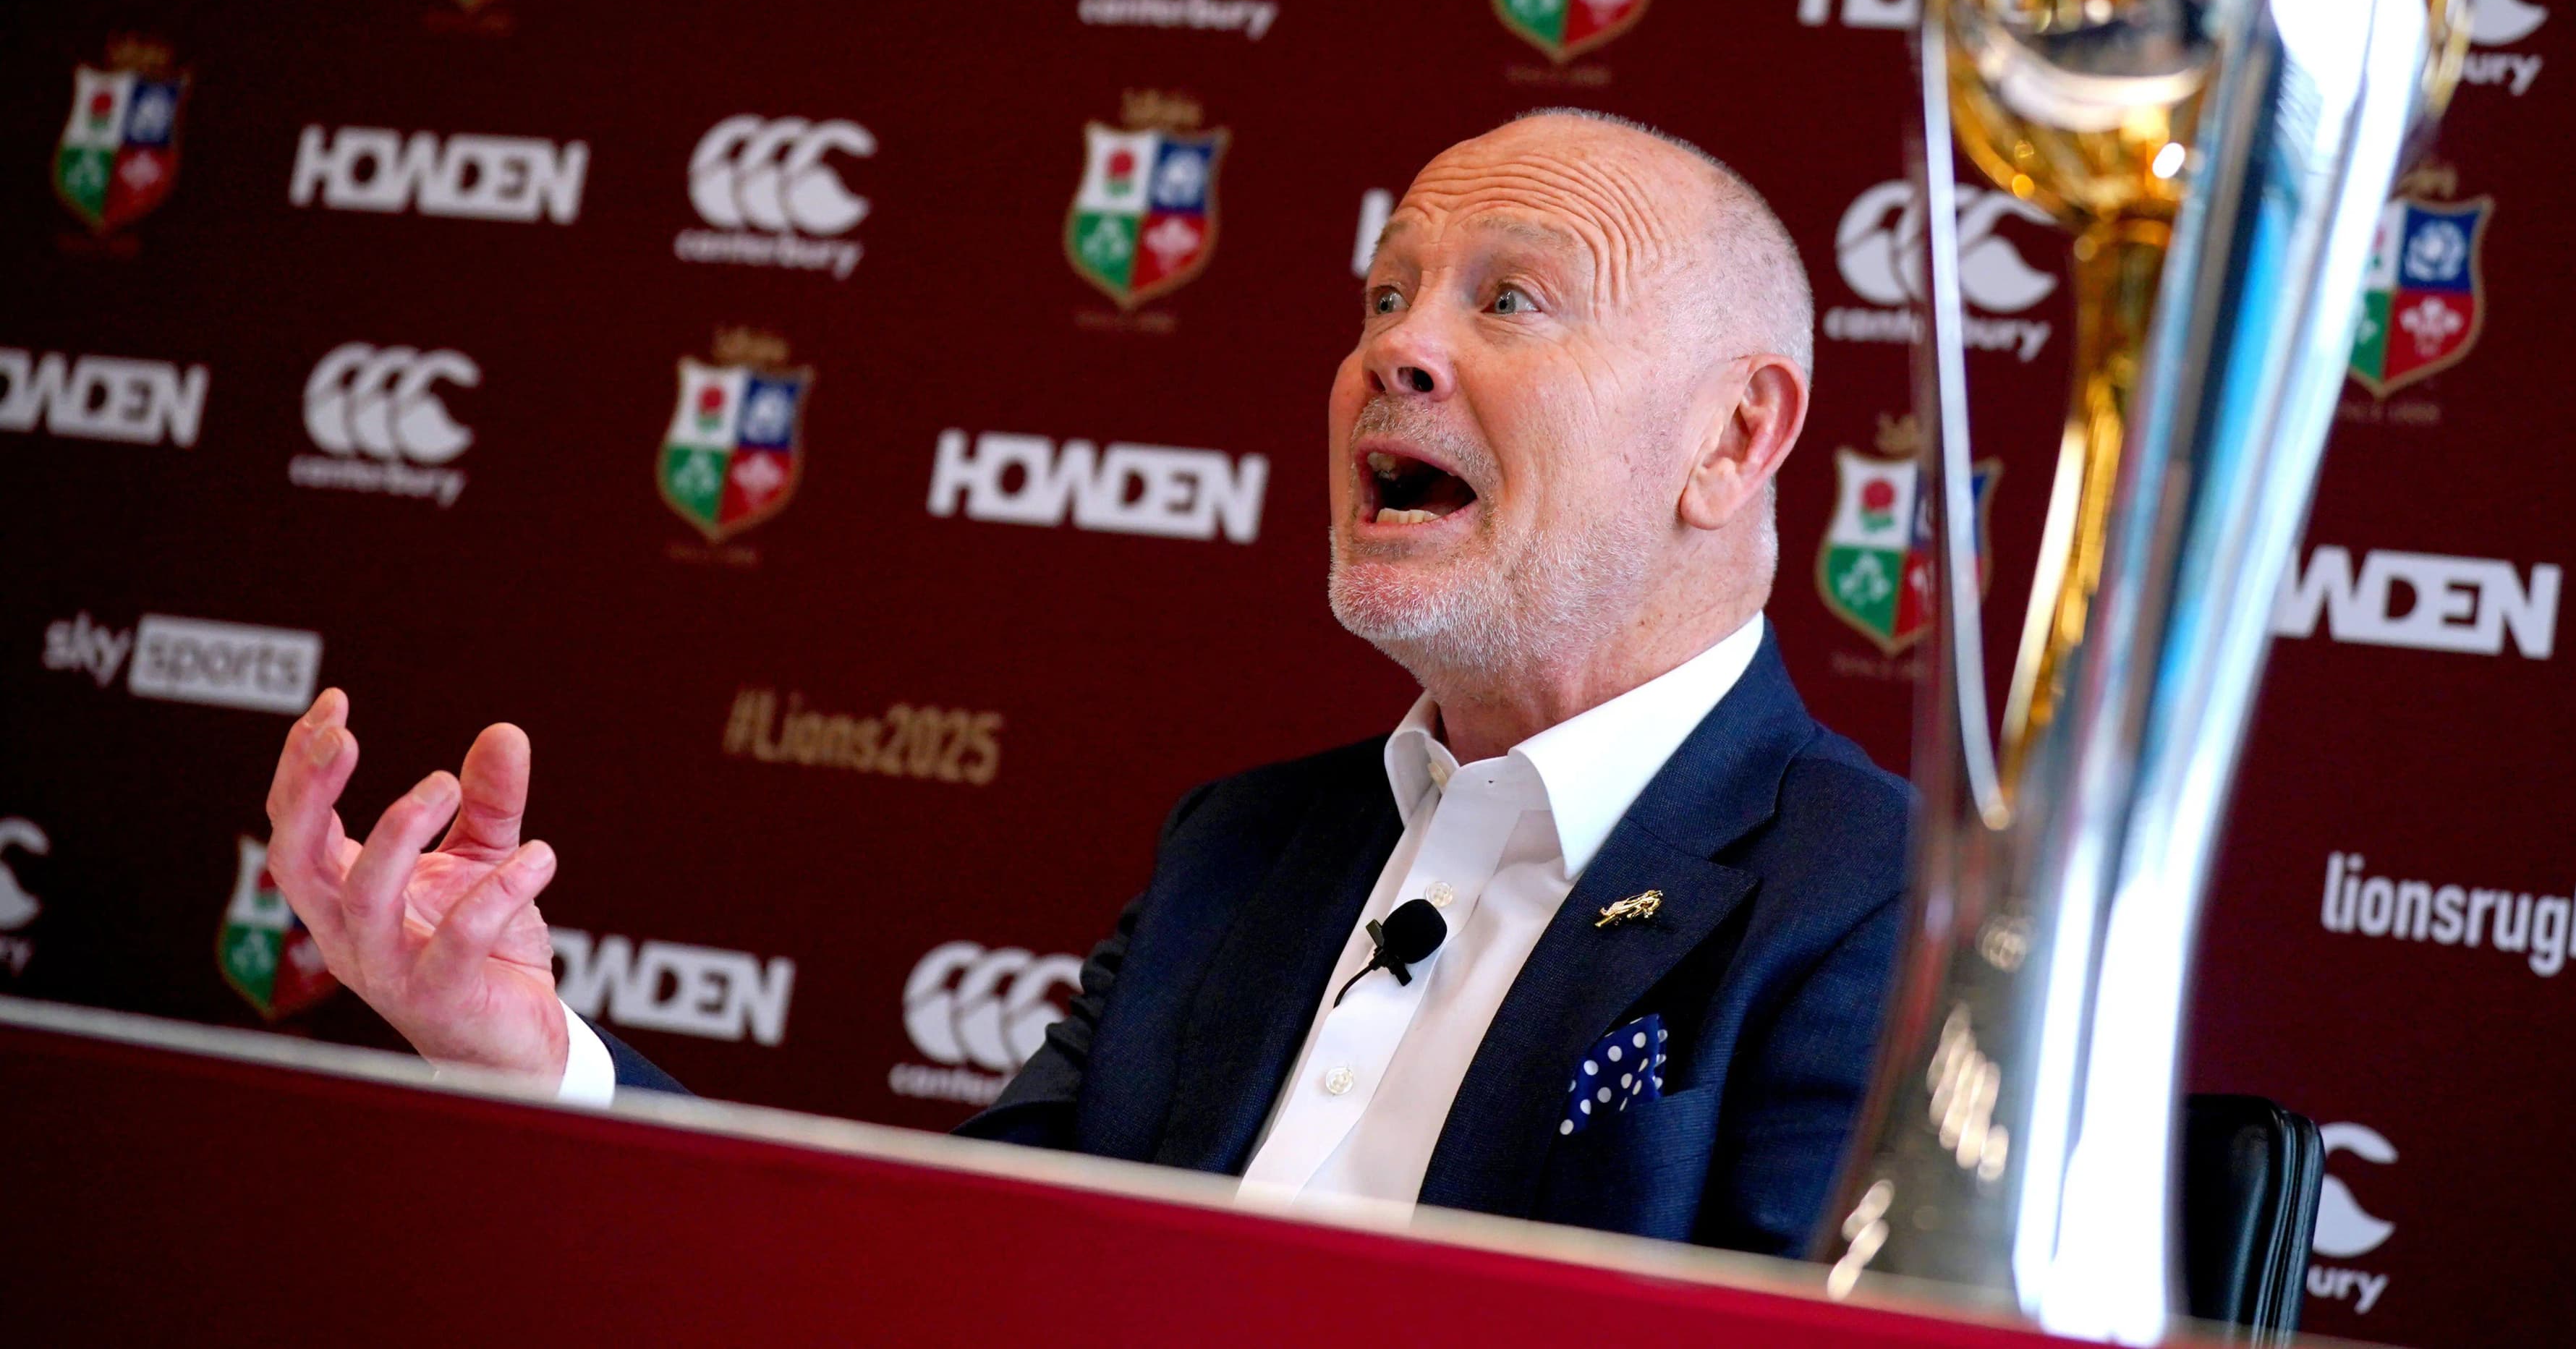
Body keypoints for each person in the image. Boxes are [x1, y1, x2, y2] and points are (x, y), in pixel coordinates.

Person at [262, 109, 1910, 1256]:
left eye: (1511, 300)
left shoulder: (1882, 901)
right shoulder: (1244, 853)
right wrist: (533, 1051)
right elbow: (937, 1268)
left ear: (1735, 437)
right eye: (1387, 295)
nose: (1400, 351)